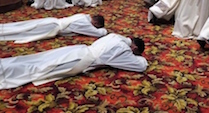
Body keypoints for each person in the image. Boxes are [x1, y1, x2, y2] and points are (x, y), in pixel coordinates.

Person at [0, 33, 148, 89]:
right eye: (135, 52)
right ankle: (6, 73)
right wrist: (138, 56)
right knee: (41, 68)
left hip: (78, 49)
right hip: (82, 59)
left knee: (40, 59)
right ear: (134, 48)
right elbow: (140, 66)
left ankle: (6, 66)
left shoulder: (116, 36)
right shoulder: (123, 49)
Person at [0, 14, 107, 43]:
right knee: (25, 31)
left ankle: (5, 30)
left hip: (53, 21)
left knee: (25, 26)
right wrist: (104, 30)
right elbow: (99, 33)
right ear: (95, 22)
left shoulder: (84, 16)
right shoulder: (85, 23)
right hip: (52, 27)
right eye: (96, 26)